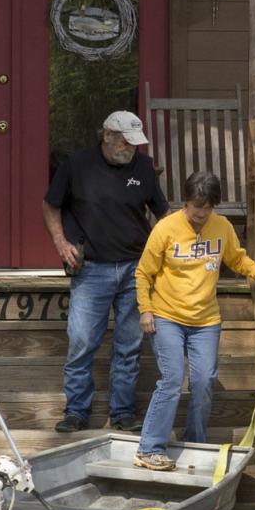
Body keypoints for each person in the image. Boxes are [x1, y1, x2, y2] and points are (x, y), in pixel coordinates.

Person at [132, 169, 255, 470]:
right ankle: (149, 448)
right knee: (173, 378)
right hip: (167, 316)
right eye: (195, 207)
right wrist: (145, 309)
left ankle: (195, 442)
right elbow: (143, 272)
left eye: (207, 207)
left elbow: (237, 258)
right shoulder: (165, 228)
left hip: (205, 319)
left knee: (204, 380)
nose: (201, 213)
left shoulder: (222, 226)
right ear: (185, 202)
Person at [43, 110, 168, 434]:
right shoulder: (76, 165)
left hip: (135, 268)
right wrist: (61, 244)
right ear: (107, 136)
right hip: (91, 268)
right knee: (82, 341)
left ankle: (123, 412)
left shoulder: (143, 166)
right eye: (125, 143)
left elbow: (164, 214)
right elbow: (51, 205)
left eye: (134, 144)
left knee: (129, 345)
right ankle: (77, 412)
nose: (130, 150)